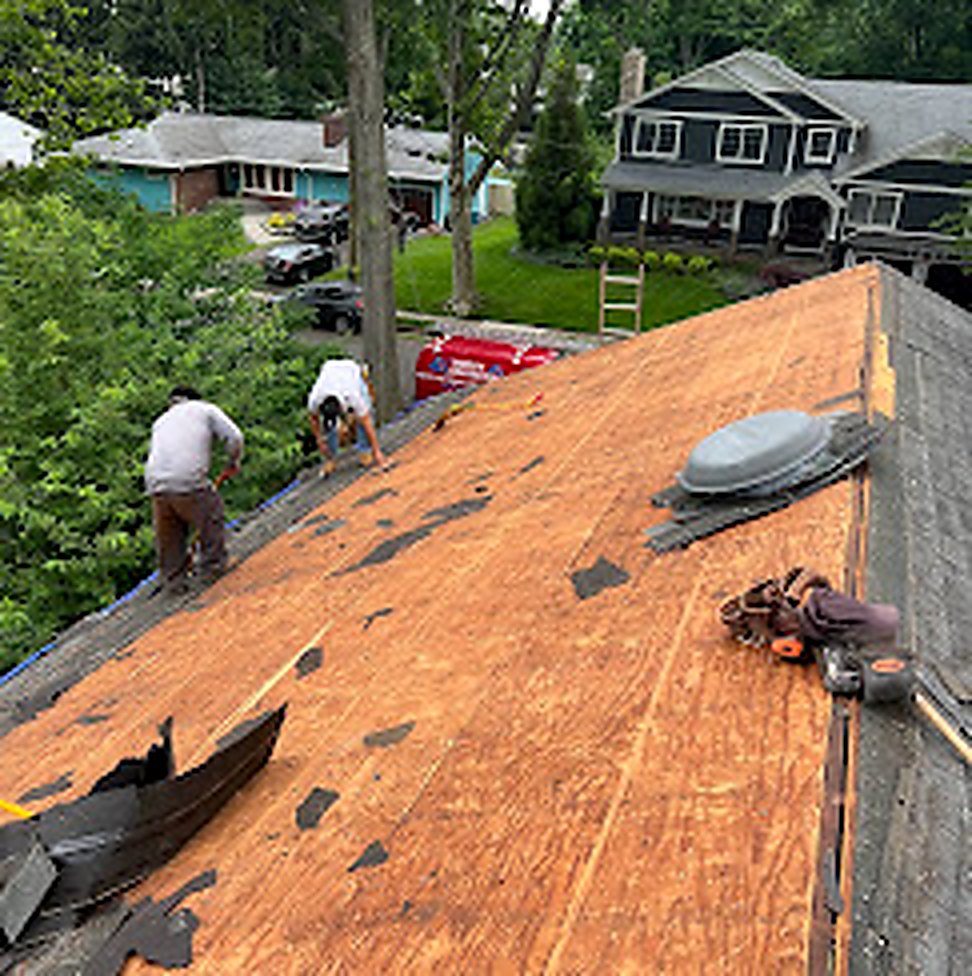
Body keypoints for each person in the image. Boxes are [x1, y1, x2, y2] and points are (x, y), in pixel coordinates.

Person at [144, 386, 243, 594]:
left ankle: (173, 579)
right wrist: (233, 461)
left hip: (155, 484)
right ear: (194, 399)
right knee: (211, 511)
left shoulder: (160, 422)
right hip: (187, 479)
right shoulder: (204, 409)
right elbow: (235, 437)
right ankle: (214, 565)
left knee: (169, 532)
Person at [307, 358, 388, 476]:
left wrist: (377, 451)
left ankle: (365, 450)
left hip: (351, 371)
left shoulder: (353, 396)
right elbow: (313, 419)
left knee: (366, 410)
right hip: (329, 369)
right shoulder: (315, 399)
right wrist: (319, 441)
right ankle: (331, 458)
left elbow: (366, 421)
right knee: (330, 428)